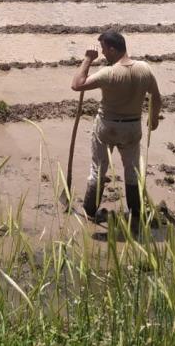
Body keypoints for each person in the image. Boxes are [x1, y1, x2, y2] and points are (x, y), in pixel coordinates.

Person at [70, 29, 162, 234]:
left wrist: (87, 59)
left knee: (98, 170)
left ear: (112, 49)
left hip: (107, 126)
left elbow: (77, 85)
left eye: (103, 50)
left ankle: (90, 211)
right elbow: (156, 96)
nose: (102, 54)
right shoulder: (144, 69)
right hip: (132, 126)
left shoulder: (109, 73)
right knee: (132, 171)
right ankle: (135, 214)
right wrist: (154, 118)